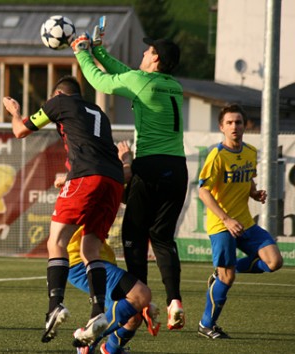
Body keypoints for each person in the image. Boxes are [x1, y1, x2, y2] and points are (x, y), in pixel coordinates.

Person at [71, 34, 188, 330]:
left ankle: (142, 300)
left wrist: (82, 52)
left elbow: (101, 80)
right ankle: (175, 301)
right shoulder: (174, 85)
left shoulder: (141, 81)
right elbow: (126, 73)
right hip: (178, 168)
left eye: (148, 51)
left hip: (150, 165)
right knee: (162, 237)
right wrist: (99, 49)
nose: (144, 53)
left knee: (134, 236)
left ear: (156, 58)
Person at [3, 75, 125, 347]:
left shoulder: (59, 102)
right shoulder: (99, 112)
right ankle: (97, 313)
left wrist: (15, 112)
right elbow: (89, 147)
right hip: (114, 181)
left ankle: (55, 305)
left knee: (56, 241)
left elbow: (20, 131)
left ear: (58, 93)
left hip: (87, 176)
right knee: (90, 249)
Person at [57, 141, 161, 354]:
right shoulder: (91, 175)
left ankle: (110, 349)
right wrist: (126, 160)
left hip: (99, 257)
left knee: (133, 317)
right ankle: (87, 341)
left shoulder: (104, 180)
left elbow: (127, 192)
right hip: (81, 260)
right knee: (141, 295)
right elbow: (125, 175)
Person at [197, 104, 283, 339]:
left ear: (245, 126)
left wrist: (254, 193)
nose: (235, 126)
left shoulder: (250, 152)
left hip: (244, 222)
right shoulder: (217, 155)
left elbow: (248, 180)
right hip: (221, 224)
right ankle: (206, 324)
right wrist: (225, 219)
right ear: (221, 127)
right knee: (228, 277)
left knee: (274, 262)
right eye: (230, 123)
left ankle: (222, 273)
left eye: (239, 122)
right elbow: (203, 191)